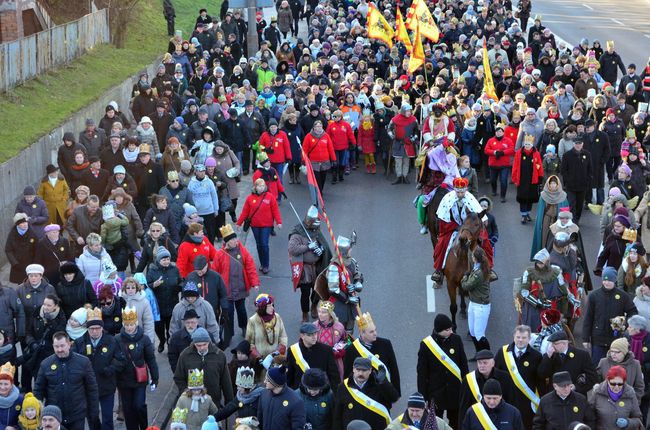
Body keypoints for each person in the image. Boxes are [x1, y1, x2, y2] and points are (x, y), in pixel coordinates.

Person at [432, 177, 495, 284]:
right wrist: (455, 227)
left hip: (469, 228)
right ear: (454, 189)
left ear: (466, 189)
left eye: (463, 191)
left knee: (485, 241)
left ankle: (489, 268)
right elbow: (443, 221)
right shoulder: (447, 199)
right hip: (452, 227)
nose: (461, 193)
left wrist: (480, 224)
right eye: (458, 191)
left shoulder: (470, 198)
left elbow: (479, 217)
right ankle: (438, 270)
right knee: (441, 244)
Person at [33, 331, 100, 430]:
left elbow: (92, 389)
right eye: (56, 346)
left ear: (69, 344)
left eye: (62, 346)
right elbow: (38, 390)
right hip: (54, 418)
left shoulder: (83, 362)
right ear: (53, 346)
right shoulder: (45, 364)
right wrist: (38, 413)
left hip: (77, 415)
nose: (59, 349)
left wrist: (94, 411)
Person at [72, 308, 125, 430]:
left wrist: (110, 369)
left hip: (106, 386)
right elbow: (73, 361)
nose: (94, 331)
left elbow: (121, 360)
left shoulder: (111, 341)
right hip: (88, 388)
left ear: (102, 328)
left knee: (107, 418)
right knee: (92, 417)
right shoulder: (80, 342)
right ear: (87, 329)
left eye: (97, 328)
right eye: (91, 329)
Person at [417, 313, 468, 427]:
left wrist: (467, 387)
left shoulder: (456, 339)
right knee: (435, 423)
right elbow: (422, 373)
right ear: (438, 330)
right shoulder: (426, 345)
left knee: (456, 422)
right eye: (447, 330)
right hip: (435, 392)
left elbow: (463, 365)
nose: (451, 332)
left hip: (455, 390)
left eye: (451, 328)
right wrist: (422, 396)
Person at [211, 224, 260, 342]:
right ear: (227, 242)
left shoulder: (242, 250)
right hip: (226, 290)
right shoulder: (220, 254)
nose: (235, 241)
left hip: (240, 287)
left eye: (235, 238)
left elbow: (250, 266)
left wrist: (255, 282)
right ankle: (229, 332)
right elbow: (214, 272)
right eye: (232, 239)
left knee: (242, 310)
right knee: (229, 313)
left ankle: (244, 327)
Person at [114, 306, 159, 430]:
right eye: (127, 325)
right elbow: (113, 360)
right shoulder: (117, 339)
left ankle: (144, 427)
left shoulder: (144, 339)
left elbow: (150, 359)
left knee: (139, 405)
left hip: (140, 379)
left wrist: (155, 378)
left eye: (132, 324)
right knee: (128, 409)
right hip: (124, 380)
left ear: (136, 323)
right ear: (124, 324)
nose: (129, 327)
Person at [583, 267, 638, 364]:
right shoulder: (594, 296)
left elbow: (633, 312)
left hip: (616, 339)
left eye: (609, 280)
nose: (606, 282)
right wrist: (585, 338)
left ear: (615, 280)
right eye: (604, 280)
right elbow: (588, 318)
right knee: (598, 365)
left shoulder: (623, 296)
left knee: (616, 366)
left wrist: (624, 321)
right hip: (598, 338)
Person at [288, 206, 333, 322]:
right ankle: (304, 313)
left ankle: (314, 306)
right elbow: (292, 248)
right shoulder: (298, 233)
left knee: (317, 290)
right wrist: (308, 247)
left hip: (317, 267)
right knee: (305, 293)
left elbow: (324, 245)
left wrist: (321, 250)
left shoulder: (315, 231)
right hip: (305, 269)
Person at [494, 325, 543, 428]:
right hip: (506, 400)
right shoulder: (502, 353)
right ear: (514, 337)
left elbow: (540, 381)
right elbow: (495, 376)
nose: (520, 340)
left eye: (524, 338)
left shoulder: (536, 356)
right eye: (518, 337)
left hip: (527, 402)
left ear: (529, 339)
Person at [343, 312, 401, 397]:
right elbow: (347, 375)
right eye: (371, 332)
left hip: (382, 393)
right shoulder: (351, 350)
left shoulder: (385, 344)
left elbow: (394, 369)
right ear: (362, 333)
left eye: (375, 330)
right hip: (361, 395)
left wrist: (396, 393)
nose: (375, 333)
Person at [174, 326, 234, 408]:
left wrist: (229, 402)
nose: (202, 348)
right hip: (192, 402)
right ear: (194, 343)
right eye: (198, 345)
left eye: (204, 344)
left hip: (213, 401)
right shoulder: (185, 356)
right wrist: (186, 392)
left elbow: (225, 380)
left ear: (209, 342)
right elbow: (178, 377)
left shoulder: (219, 355)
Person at [332, 357, 399, 430]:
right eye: (358, 370)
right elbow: (337, 416)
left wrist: (384, 383)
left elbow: (394, 398)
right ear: (353, 369)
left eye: (364, 370)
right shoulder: (343, 387)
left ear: (370, 370)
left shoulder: (378, 384)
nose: (360, 373)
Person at [317, 233, 364, 333]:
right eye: (349, 249)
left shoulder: (352, 262)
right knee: (339, 330)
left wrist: (357, 285)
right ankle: (339, 348)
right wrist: (347, 299)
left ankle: (348, 347)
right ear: (344, 251)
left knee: (350, 329)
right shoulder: (334, 267)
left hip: (352, 300)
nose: (351, 250)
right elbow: (333, 289)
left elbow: (358, 275)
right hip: (340, 302)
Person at [236, 179, 282, 274]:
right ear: (255, 187)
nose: (261, 187)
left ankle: (266, 265)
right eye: (259, 186)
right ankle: (262, 263)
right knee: (259, 245)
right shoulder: (249, 198)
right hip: (255, 225)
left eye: (263, 186)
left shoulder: (270, 197)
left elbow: (275, 210)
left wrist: (279, 222)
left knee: (264, 244)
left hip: (266, 225)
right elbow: (245, 212)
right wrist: (239, 223)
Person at [458, 350, 514, 428]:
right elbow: (463, 407)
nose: (482, 365)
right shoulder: (469, 379)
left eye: (485, 363)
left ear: (493, 363)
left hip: (500, 420)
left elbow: (511, 401)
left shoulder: (505, 377)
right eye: (479, 363)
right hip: (477, 421)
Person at [519, 248, 568, 330]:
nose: (539, 265)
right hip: (533, 308)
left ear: (547, 263)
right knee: (531, 332)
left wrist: (562, 312)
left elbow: (564, 294)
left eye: (541, 263)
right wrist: (539, 303)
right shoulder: (528, 272)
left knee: (551, 334)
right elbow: (524, 292)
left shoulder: (556, 273)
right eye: (537, 262)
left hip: (551, 308)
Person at [538, 331, 599, 396]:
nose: (552, 346)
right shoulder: (550, 356)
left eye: (555, 344)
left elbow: (592, 377)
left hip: (575, 396)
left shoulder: (581, 355)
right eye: (551, 344)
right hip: (555, 396)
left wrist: (576, 387)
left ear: (564, 343)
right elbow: (542, 374)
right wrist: (547, 357)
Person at [287, 323, 339, 390]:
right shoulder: (293, 350)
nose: (314, 337)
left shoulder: (326, 350)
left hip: (320, 391)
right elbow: (290, 374)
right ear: (302, 336)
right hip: (300, 391)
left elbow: (334, 375)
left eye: (315, 333)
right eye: (310, 335)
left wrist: (335, 393)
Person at [590, 365, 643, 430]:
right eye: (613, 384)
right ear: (607, 380)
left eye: (620, 384)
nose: (616, 387)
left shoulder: (630, 394)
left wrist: (628, 423)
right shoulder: (598, 392)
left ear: (624, 382)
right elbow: (589, 417)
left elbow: (638, 419)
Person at [461, 247, 493, 356]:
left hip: (481, 306)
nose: (471, 257)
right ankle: (478, 353)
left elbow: (466, 286)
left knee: (479, 334)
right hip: (473, 303)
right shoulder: (477, 267)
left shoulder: (479, 273)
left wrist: (465, 277)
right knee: (473, 331)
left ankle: (488, 356)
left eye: (472, 256)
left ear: (475, 258)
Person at [596, 337, 645, 402]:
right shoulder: (603, 362)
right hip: (606, 403)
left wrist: (634, 403)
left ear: (624, 352)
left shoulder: (635, 364)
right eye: (611, 351)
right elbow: (596, 382)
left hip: (627, 403)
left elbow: (639, 387)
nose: (613, 354)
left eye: (617, 352)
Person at [257, 365, 306, 430]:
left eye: (268, 380)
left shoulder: (296, 401)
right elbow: (260, 418)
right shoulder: (263, 394)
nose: (264, 382)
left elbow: (298, 427)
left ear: (276, 383)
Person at [512, 134, 544, 224]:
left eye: (529, 144)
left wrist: (540, 177)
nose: (527, 146)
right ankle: (523, 215)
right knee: (522, 198)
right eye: (526, 144)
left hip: (532, 179)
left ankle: (528, 213)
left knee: (530, 198)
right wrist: (514, 178)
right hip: (522, 179)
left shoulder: (536, 153)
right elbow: (515, 166)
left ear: (532, 144)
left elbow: (539, 166)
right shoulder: (519, 153)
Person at [245, 294, 288, 360]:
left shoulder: (277, 317)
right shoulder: (253, 321)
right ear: (263, 308)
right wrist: (258, 358)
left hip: (276, 359)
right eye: (269, 306)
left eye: (272, 305)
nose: (272, 308)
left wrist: (279, 352)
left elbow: (283, 336)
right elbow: (249, 343)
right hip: (260, 361)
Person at [560, 139, 592, 222]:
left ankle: (577, 218)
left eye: (580, 143)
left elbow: (590, 169)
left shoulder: (587, 154)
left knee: (579, 205)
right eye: (576, 143)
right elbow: (563, 170)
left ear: (582, 144)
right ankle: (573, 220)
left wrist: (588, 180)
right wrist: (567, 181)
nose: (578, 145)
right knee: (571, 204)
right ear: (573, 144)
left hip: (582, 185)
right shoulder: (567, 155)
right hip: (571, 186)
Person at [301, 119, 336, 192]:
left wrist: (333, 159)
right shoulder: (308, 136)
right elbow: (304, 150)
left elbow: (330, 148)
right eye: (317, 126)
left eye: (320, 126)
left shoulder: (326, 136)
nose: (319, 128)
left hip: (325, 161)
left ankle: (320, 190)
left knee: (323, 178)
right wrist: (303, 160)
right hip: (314, 162)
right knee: (317, 178)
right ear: (314, 127)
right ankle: (319, 192)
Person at [5, 213, 38, 284]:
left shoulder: (32, 232)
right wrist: (15, 263)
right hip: (18, 264)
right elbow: (8, 250)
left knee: (32, 282)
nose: (25, 224)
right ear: (17, 224)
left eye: (25, 222)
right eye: (22, 223)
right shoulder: (12, 234)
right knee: (21, 284)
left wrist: (35, 262)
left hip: (30, 264)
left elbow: (37, 248)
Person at [0, 362, 23, 429]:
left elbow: (25, 417)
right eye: (0, 383)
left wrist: (16, 428)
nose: (2, 387)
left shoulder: (20, 399)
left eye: (6, 384)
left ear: (11, 384)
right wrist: (4, 428)